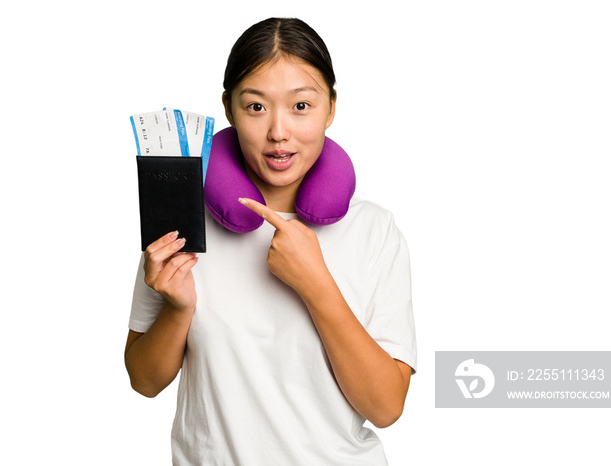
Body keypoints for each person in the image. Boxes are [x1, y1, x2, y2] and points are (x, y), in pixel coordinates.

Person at [124, 17, 417, 465]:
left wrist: (316, 283)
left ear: (331, 107)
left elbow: (386, 407)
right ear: (229, 108)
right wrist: (178, 309)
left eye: (301, 106)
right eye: (256, 107)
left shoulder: (374, 230)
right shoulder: (183, 226)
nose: (279, 132)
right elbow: (143, 381)